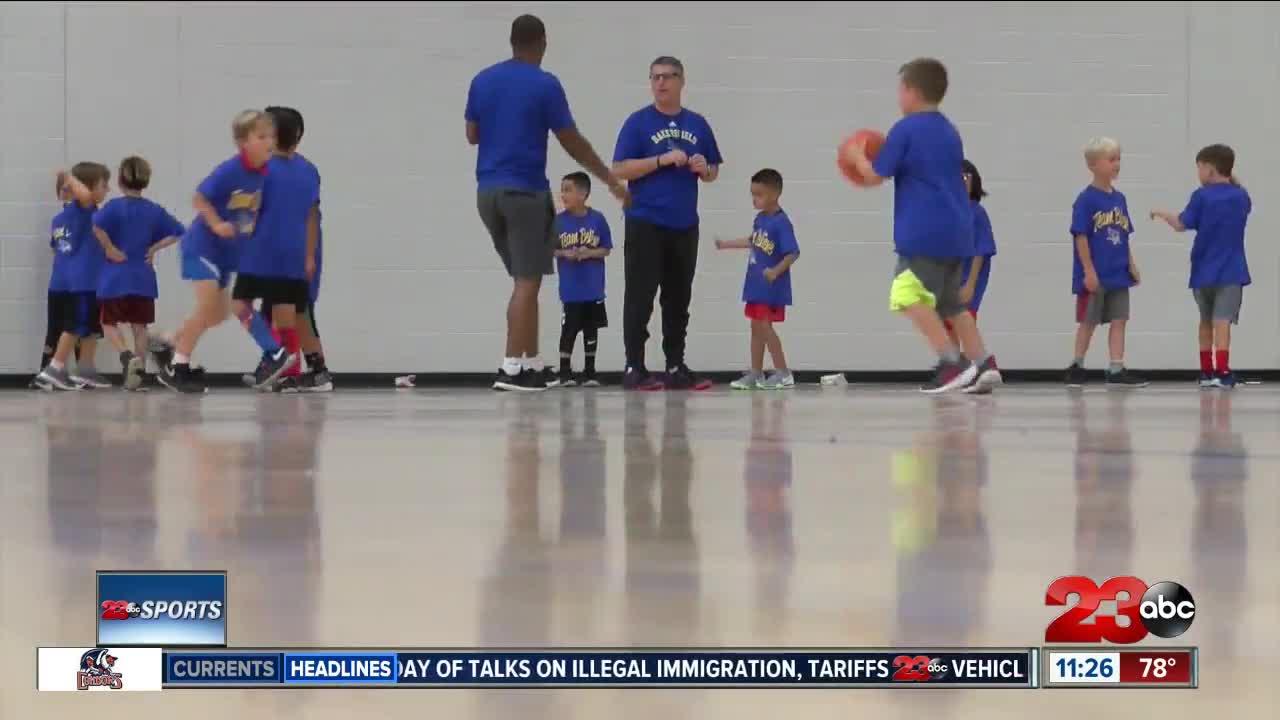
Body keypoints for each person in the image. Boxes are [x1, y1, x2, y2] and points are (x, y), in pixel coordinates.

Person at [466, 13, 628, 393]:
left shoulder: (482, 80)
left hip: (487, 193)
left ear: (511, 41)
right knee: (526, 283)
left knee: (528, 280)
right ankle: (510, 367)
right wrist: (607, 178)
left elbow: (472, 135)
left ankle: (531, 362)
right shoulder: (544, 84)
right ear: (542, 43)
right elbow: (570, 139)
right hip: (524, 192)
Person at [841, 58, 1000, 394]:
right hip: (958, 232)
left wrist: (856, 156)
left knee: (905, 293)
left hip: (923, 232)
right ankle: (984, 364)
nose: (898, 96)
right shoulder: (949, 130)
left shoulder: (905, 129)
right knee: (952, 304)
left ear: (911, 91)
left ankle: (950, 363)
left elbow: (874, 175)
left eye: (900, 89)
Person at [612, 55, 722, 391]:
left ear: (681, 82)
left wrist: (704, 167)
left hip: (684, 225)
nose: (661, 83)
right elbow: (619, 169)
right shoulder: (637, 123)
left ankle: (675, 366)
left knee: (678, 299)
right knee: (640, 297)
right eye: (655, 77)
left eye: (669, 76)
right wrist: (660, 159)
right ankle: (635, 367)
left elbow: (714, 172)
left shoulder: (697, 124)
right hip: (645, 222)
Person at [152, 109, 273, 393]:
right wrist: (217, 224)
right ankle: (177, 366)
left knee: (218, 315)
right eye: (262, 136)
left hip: (226, 255)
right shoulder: (230, 170)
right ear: (245, 142)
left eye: (271, 136)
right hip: (201, 247)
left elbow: (249, 209)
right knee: (207, 307)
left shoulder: (263, 175)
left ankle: (168, 342)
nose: (269, 141)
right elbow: (199, 198)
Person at [1150, 144, 1250, 389]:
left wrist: (1162, 214)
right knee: (1222, 320)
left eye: (1200, 167)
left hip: (1203, 268)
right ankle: (1223, 371)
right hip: (1231, 270)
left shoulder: (1201, 196)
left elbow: (1182, 224)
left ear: (1210, 168)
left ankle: (1206, 372)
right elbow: (1243, 201)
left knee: (1205, 320)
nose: (1198, 173)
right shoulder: (1241, 196)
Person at [232, 106, 318, 391]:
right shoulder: (309, 171)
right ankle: (289, 373)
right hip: (294, 253)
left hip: (263, 252)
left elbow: (250, 212)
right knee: (285, 312)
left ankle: (275, 354)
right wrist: (308, 256)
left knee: (240, 304)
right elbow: (311, 217)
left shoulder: (260, 168)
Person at [91, 156, 184, 391]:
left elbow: (95, 226)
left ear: (120, 181)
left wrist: (110, 248)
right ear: (145, 181)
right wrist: (153, 248)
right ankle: (139, 373)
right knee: (140, 327)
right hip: (142, 278)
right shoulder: (153, 210)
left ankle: (125, 356)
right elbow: (179, 231)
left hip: (115, 278)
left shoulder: (113, 207)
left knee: (108, 323)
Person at [1065, 137, 1147, 388]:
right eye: (1111, 160)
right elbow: (1080, 236)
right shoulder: (1085, 200)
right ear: (1093, 165)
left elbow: (1123, 234)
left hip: (1118, 272)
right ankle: (1077, 365)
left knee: (1120, 319)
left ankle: (1116, 368)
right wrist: (1088, 271)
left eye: (1118, 159)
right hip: (1095, 274)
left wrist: (1131, 263)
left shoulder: (1120, 199)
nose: (1117, 164)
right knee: (1088, 322)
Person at [716, 168, 799, 390]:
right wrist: (726, 244)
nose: (754, 199)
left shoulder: (782, 222)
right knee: (756, 328)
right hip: (755, 284)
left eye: (759, 194)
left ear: (774, 194)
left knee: (764, 327)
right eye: (752, 194)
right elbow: (752, 241)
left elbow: (793, 253)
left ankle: (783, 372)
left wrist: (775, 271)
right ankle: (756, 373)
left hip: (771, 287)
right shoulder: (760, 219)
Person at [35, 163, 111, 391]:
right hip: (83, 283)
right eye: (103, 185)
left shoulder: (60, 219)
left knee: (90, 328)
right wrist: (67, 177)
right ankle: (55, 369)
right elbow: (86, 195)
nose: (107, 190)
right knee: (75, 327)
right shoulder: (85, 210)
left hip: (79, 282)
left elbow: (56, 249)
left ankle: (86, 370)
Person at [553, 172, 612, 388]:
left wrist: (589, 252)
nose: (563, 194)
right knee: (568, 329)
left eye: (568, 189)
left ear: (583, 193)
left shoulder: (597, 219)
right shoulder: (557, 222)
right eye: (562, 190)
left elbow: (606, 249)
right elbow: (549, 249)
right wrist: (563, 254)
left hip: (593, 288)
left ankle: (589, 372)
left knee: (591, 328)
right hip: (571, 289)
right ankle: (565, 371)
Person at [946, 159, 1000, 381]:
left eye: (966, 178)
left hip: (969, 276)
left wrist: (970, 283)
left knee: (965, 320)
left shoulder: (976, 213)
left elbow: (981, 250)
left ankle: (983, 365)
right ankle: (954, 369)